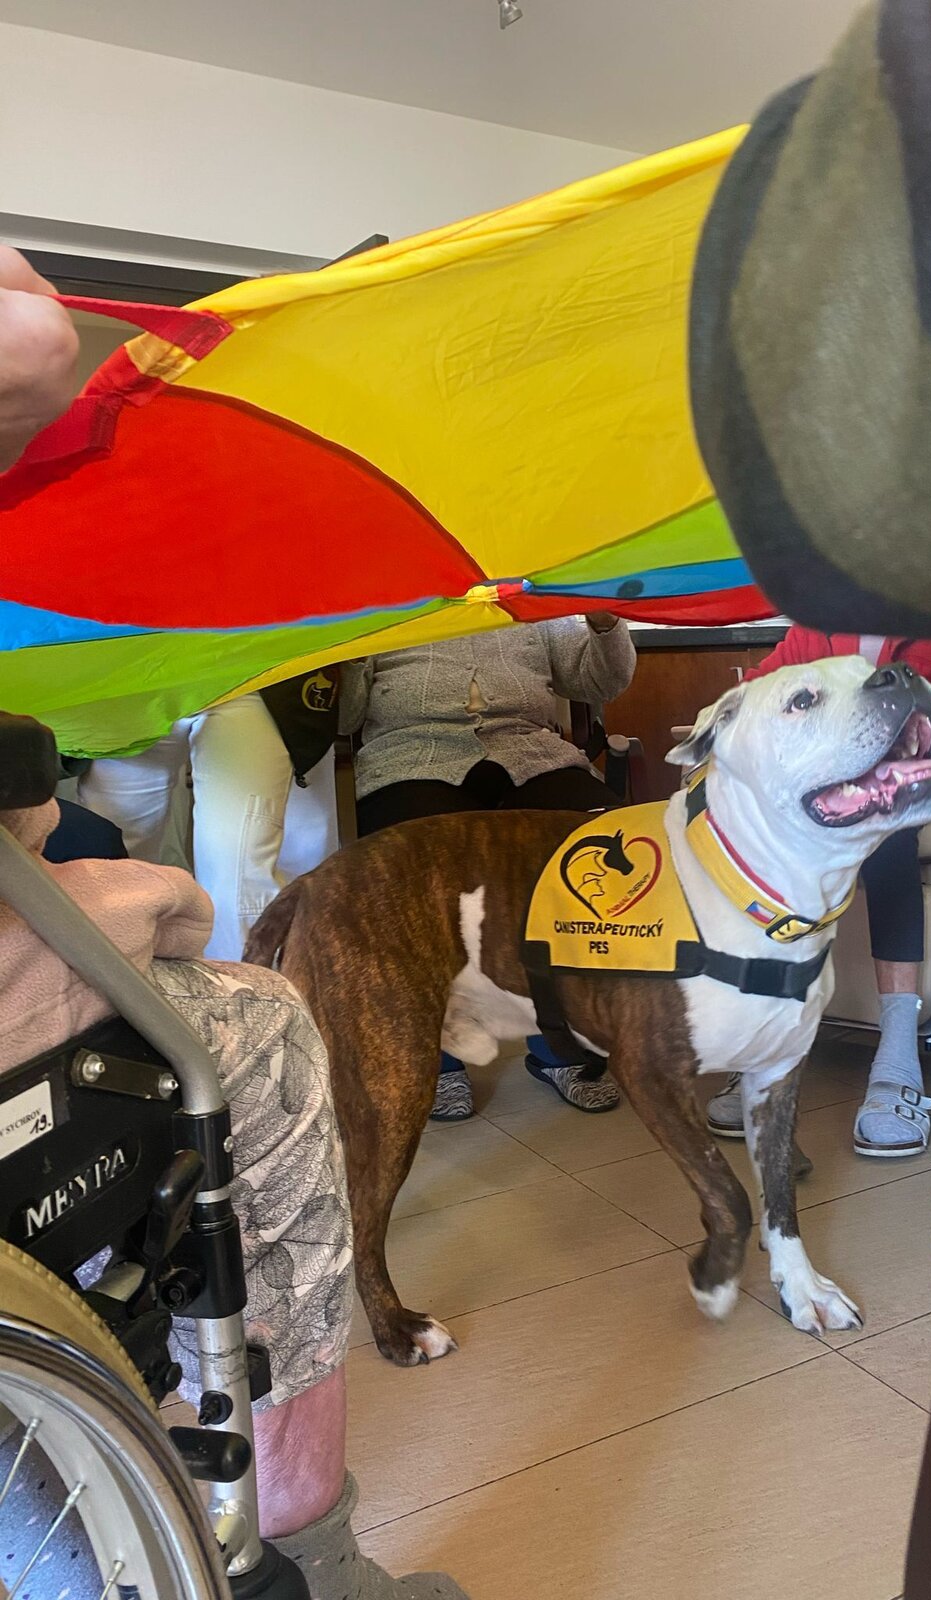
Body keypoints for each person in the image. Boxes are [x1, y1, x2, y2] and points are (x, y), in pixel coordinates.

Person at [0, 247, 464, 1600]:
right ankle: (303, 1533)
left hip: (200, 690)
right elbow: (29, 338)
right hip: (113, 700)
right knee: (250, 1017)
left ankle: (279, 1527)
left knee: (228, 844)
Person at [703, 628, 931, 1156]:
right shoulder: (818, 623)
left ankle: (898, 1053)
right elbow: (761, 688)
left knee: (880, 816)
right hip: (837, 773)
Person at [342, 617, 637, 1120]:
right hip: (411, 756)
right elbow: (345, 717)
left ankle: (563, 1047)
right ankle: (435, 1058)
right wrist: (347, 647)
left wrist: (605, 623)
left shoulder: (529, 599)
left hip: (531, 752)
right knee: (418, 875)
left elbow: (599, 682)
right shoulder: (382, 600)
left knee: (599, 849)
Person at [79, 675, 342, 961]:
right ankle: (110, 981)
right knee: (109, 860)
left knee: (239, 870)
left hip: (250, 674)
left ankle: (246, 985)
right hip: (131, 677)